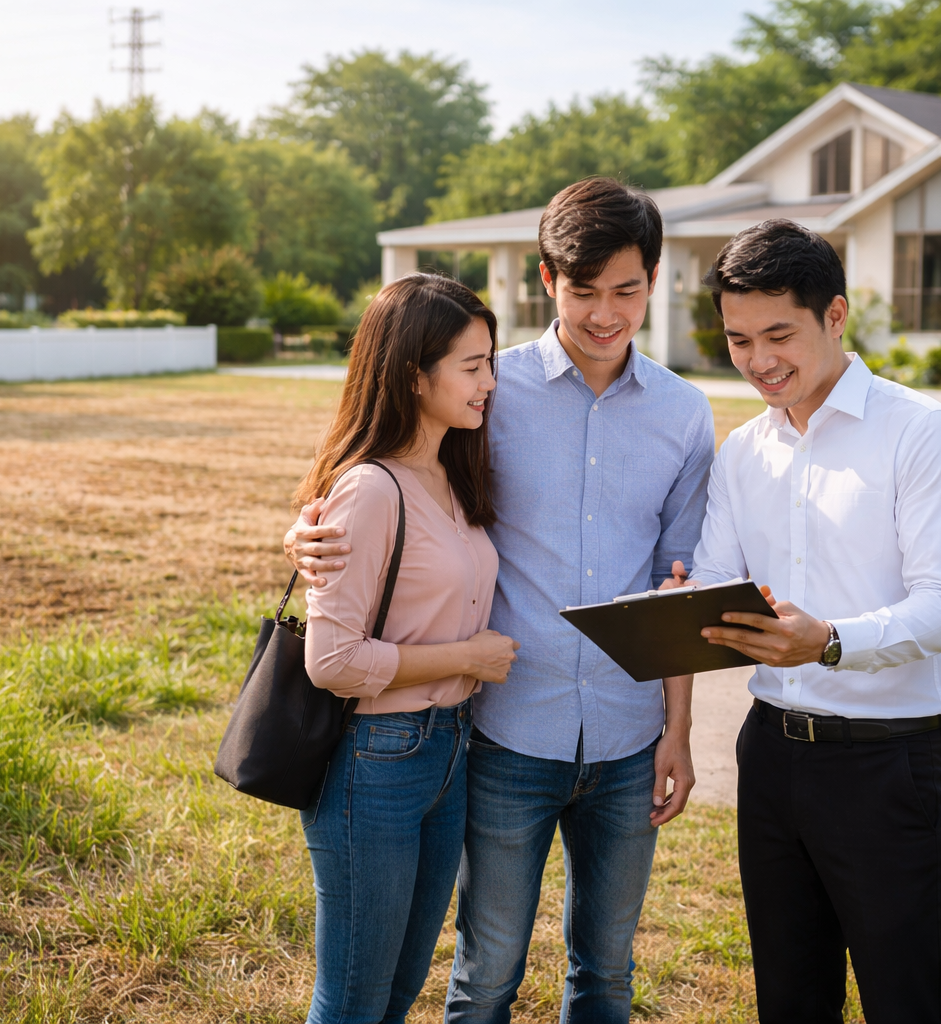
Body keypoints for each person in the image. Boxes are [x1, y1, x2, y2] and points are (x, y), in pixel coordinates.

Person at [290, 177, 715, 1022]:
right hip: (505, 734)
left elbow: (679, 584)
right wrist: (305, 533)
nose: (606, 312)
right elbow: (387, 474)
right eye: (584, 289)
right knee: (484, 978)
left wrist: (679, 731)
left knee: (608, 974)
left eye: (626, 290)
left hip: (630, 742)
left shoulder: (686, 414)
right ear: (548, 281)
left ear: (655, 282)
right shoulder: (488, 387)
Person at [670, 219, 941, 1022]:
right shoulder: (743, 450)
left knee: (905, 997)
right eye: (738, 340)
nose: (759, 360)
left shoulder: (921, 433)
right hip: (770, 756)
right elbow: (714, 581)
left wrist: (832, 642)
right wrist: (682, 604)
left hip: (887, 767)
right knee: (790, 998)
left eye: (780, 334)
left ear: (835, 317)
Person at [297, 273, 522, 1024]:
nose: (490, 382)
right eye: (472, 365)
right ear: (411, 374)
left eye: (490, 362)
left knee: (397, 991)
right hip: (376, 760)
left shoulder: (452, 474)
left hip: (449, 753)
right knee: (355, 999)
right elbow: (331, 663)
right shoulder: (369, 489)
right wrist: (468, 658)